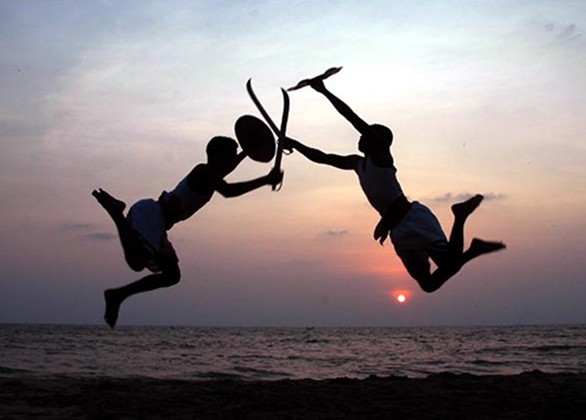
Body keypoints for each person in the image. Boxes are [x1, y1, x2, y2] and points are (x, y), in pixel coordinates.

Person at [283, 79, 505, 293]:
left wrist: (324, 91)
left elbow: (351, 118)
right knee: (428, 285)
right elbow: (322, 157)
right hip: (398, 230)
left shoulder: (382, 159)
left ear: (377, 141)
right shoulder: (357, 163)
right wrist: (293, 143)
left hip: (412, 219)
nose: (360, 137)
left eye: (366, 134)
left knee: (449, 263)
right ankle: (473, 249)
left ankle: (460, 215)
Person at [93, 136, 282, 328]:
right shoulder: (204, 172)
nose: (231, 161)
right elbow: (228, 191)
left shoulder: (212, 172)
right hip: (151, 214)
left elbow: (228, 168)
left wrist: (247, 150)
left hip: (158, 223)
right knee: (137, 262)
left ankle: (117, 295)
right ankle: (116, 213)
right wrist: (266, 180)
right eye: (229, 156)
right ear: (216, 155)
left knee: (171, 275)